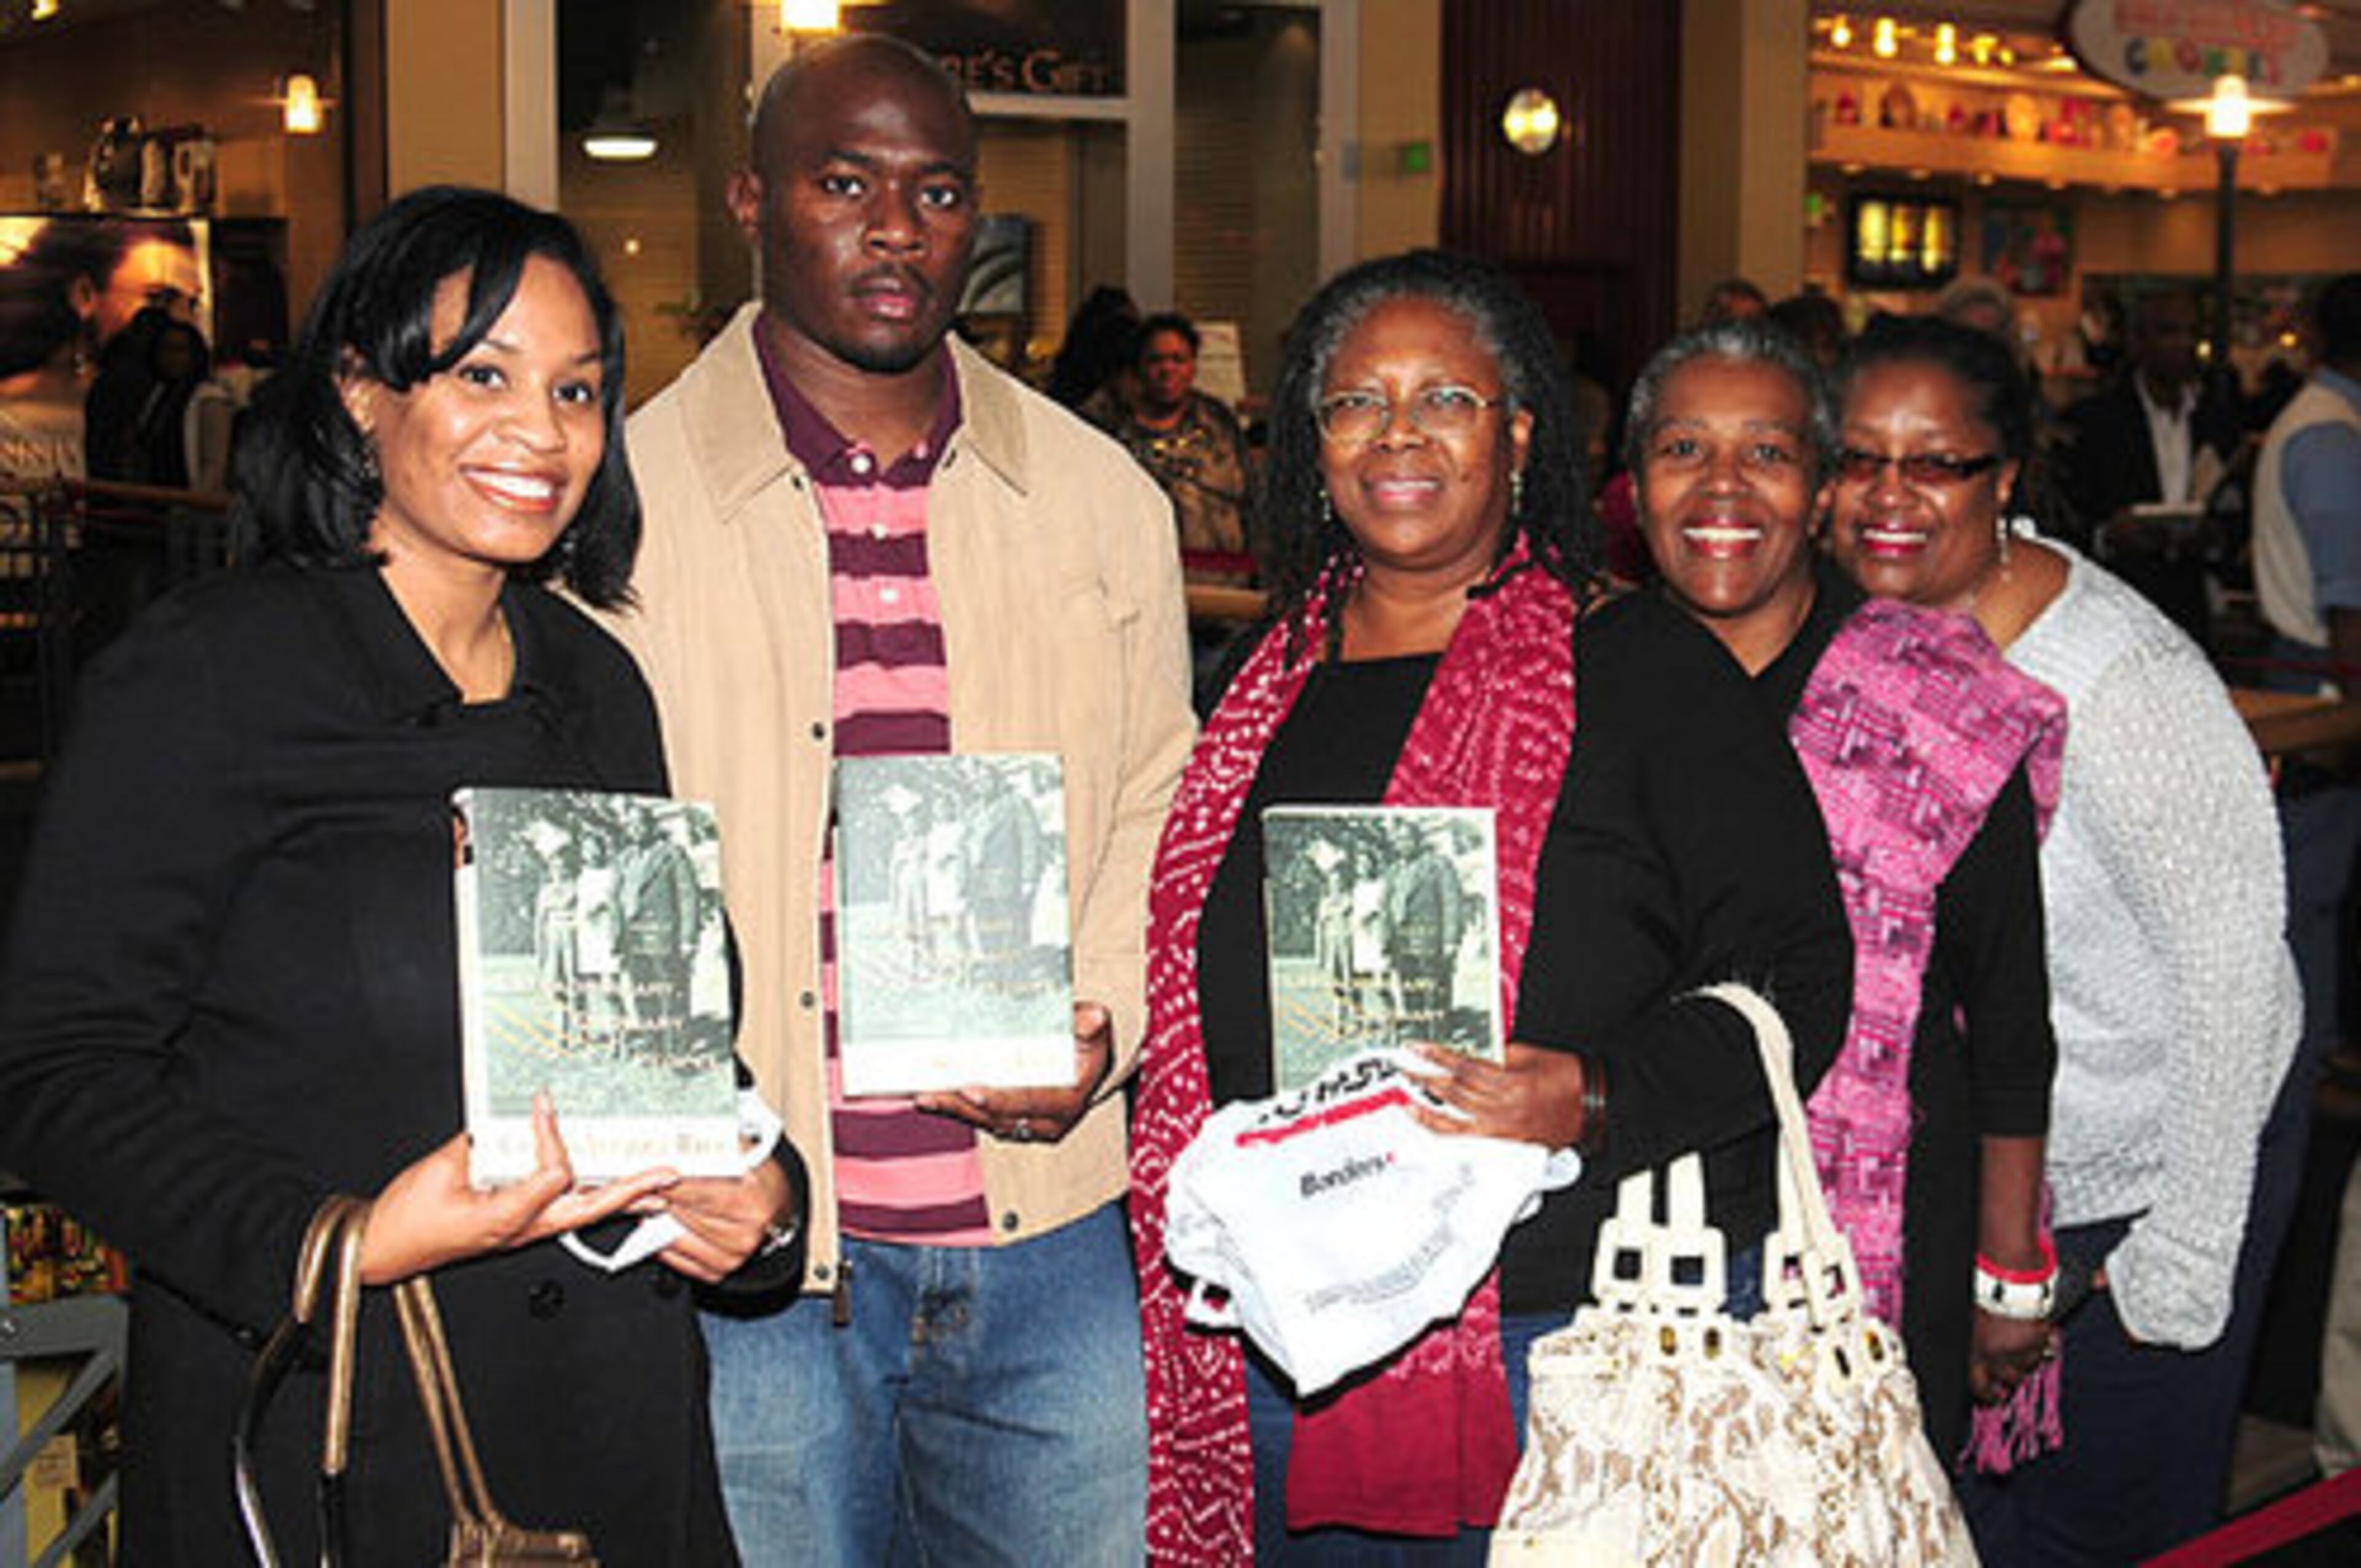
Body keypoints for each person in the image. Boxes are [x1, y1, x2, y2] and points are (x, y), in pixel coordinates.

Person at [0, 186, 801, 1564]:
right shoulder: (207, 675)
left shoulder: (596, 683)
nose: (540, 433)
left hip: (616, 1432)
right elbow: (55, 1070)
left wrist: (763, 1194)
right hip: (342, 1424)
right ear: (364, 392)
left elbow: (665, 1038)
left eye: (578, 390)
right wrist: (342, 1242)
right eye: (482, 374)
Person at [1129, 248, 1852, 1564]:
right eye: (1356, 403)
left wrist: (1585, 1092)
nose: (1397, 436)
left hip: (1571, 1335)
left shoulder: (1640, 668)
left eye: (1444, 400)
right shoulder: (1261, 678)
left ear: (1517, 433)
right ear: (1313, 438)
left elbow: (1800, 978)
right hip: (1291, 1326)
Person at [605, 34, 1193, 1563]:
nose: (894, 227)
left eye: (934, 191)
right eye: (843, 182)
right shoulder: (618, 504)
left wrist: (1110, 1019)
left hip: (1046, 1226)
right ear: (750, 199)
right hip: (757, 1253)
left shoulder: (1093, 498)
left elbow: (1157, 795)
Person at [1825, 314, 2302, 1563]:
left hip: (2156, 1159)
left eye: (1937, 463)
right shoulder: (1855, 634)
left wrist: (2178, 1264)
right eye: (1858, 456)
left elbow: (2235, 979)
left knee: (2105, 1528)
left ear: (2008, 476)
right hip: (1984, 1163)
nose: (1889, 495)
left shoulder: (2117, 680)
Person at [1628, 317, 2062, 1460]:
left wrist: (2009, 1271)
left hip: (1881, 1221)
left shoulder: (1934, 706)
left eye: (1767, 453)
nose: (1723, 487)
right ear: (1632, 486)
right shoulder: (1575, 681)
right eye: (1683, 450)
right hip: (1632, 1224)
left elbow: (2010, 1015)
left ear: (1819, 493)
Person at [2057, 288, 2241, 645]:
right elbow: (2064, 520)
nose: (2184, 345)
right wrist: (2108, 535)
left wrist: (2214, 536)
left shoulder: (2218, 422)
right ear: (2138, 342)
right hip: (2113, 609)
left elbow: (2237, 513)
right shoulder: (2094, 423)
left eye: (2193, 333)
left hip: (2192, 609)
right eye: (2170, 332)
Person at [1086, 310, 1255, 582]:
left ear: (1193, 365)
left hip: (1224, 588)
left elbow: (1249, 500)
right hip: (1139, 582)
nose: (1168, 370)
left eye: (1179, 360)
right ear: (1139, 366)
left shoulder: (1217, 422)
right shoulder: (1109, 428)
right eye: (1156, 360)